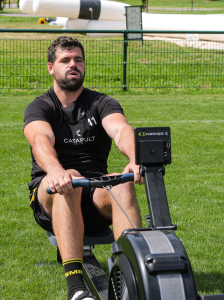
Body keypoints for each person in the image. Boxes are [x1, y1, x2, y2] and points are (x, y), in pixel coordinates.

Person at [24, 36, 143, 300]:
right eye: (65, 60)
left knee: (121, 183)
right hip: (51, 194)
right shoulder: (40, 106)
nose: (73, 64)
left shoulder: (102, 103)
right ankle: (76, 288)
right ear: (51, 68)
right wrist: (56, 170)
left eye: (78, 59)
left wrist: (136, 158)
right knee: (71, 179)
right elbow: (40, 140)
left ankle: (132, 275)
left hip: (94, 195)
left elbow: (122, 131)